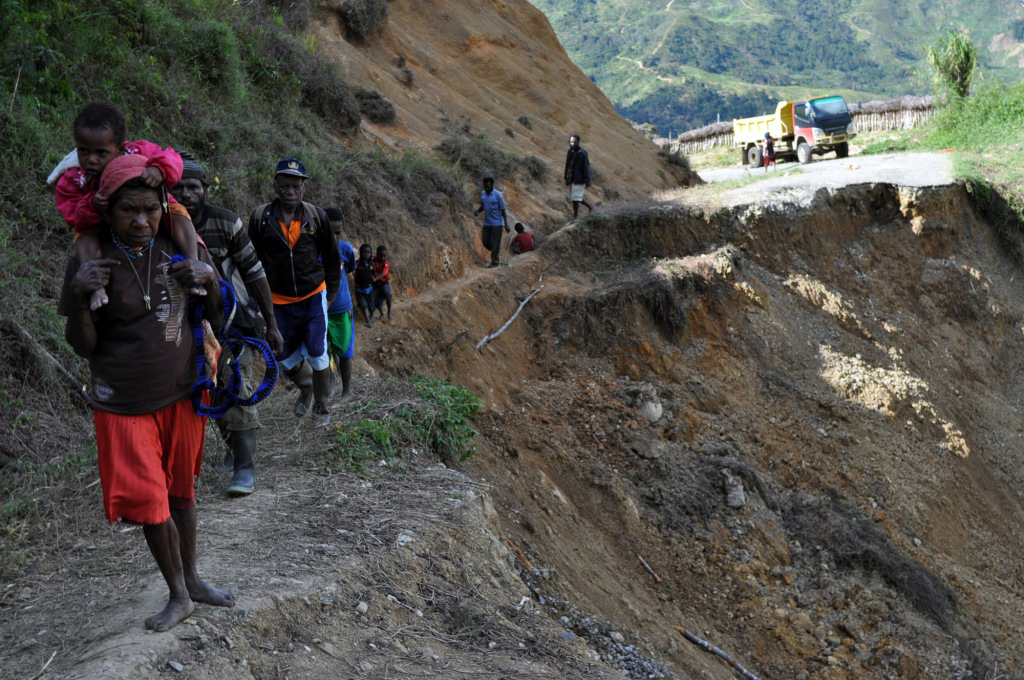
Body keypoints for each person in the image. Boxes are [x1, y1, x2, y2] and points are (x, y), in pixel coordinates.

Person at [59, 154, 233, 632]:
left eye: (150, 210)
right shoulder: (90, 258)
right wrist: (79, 299)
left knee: (182, 492)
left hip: (180, 394)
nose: (141, 221)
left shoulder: (182, 245)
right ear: (108, 211)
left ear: (164, 205)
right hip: (123, 402)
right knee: (152, 500)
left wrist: (210, 280)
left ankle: (194, 581)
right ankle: (179, 595)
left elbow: (217, 316)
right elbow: (83, 346)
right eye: (128, 211)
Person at [170, 152, 283, 496]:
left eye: (193, 186)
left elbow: (255, 273)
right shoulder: (162, 227)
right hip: (187, 330)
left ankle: (245, 469)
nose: (186, 193)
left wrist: (271, 323)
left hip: (236, 324)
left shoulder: (226, 222)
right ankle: (234, 454)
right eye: (179, 187)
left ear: (204, 188)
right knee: (211, 390)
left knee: (236, 388)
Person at [55, 101, 199, 310]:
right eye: (84, 151)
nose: (91, 160)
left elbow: (173, 157)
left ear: (120, 148)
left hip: (152, 206)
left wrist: (160, 169)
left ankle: (193, 262)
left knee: (178, 213)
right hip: (101, 219)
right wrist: (91, 205)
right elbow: (71, 214)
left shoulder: (138, 151)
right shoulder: (75, 178)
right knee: (83, 236)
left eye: (101, 153)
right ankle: (96, 288)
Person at [248, 159, 340, 427]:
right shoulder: (260, 218)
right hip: (276, 300)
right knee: (282, 355)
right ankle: (307, 388)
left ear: (303, 188)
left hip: (313, 296)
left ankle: (322, 408)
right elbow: (250, 260)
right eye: (285, 184)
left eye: (296, 185)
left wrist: (330, 294)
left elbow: (332, 260)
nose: (290, 190)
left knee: (318, 352)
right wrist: (255, 298)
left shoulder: (316, 216)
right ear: (275, 185)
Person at [324, 208, 357, 399]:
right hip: (320, 309)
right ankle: (330, 382)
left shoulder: (345, 249)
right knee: (324, 350)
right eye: (331, 233)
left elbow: (350, 268)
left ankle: (347, 391)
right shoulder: (313, 251)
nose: (335, 237)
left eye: (338, 233)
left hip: (341, 308)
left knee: (345, 351)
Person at [473, 177, 508, 268]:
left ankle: (495, 262)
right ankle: (494, 250)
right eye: (485, 186)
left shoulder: (498, 195)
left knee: (495, 243)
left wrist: (506, 224)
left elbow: (503, 210)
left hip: (497, 224)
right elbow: (482, 206)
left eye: (488, 186)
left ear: (492, 185)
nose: (486, 188)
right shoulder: (483, 194)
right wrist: (478, 211)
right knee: (485, 241)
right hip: (487, 223)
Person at [564, 133, 593, 223]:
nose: (572, 143)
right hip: (572, 178)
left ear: (577, 142)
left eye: (574, 141)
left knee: (575, 198)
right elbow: (567, 165)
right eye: (571, 141)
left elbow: (586, 166)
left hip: (579, 178)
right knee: (575, 197)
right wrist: (566, 177)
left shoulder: (583, 153)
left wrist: (587, 179)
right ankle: (590, 207)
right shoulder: (570, 152)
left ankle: (576, 216)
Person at [353, 244, 376, 327]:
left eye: (368, 252)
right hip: (359, 289)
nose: (366, 254)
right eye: (364, 252)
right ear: (360, 253)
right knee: (363, 304)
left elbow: (374, 273)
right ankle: (367, 320)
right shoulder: (357, 263)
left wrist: (373, 279)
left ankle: (372, 315)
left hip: (369, 288)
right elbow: (352, 270)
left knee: (371, 303)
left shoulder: (372, 263)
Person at [372, 244, 393, 321]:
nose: (383, 258)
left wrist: (374, 279)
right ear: (377, 254)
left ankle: (389, 311)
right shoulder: (373, 260)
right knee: (375, 300)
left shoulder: (386, 263)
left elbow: (383, 274)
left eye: (384, 256)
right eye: (381, 256)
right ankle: (381, 314)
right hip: (376, 284)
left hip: (384, 282)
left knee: (388, 295)